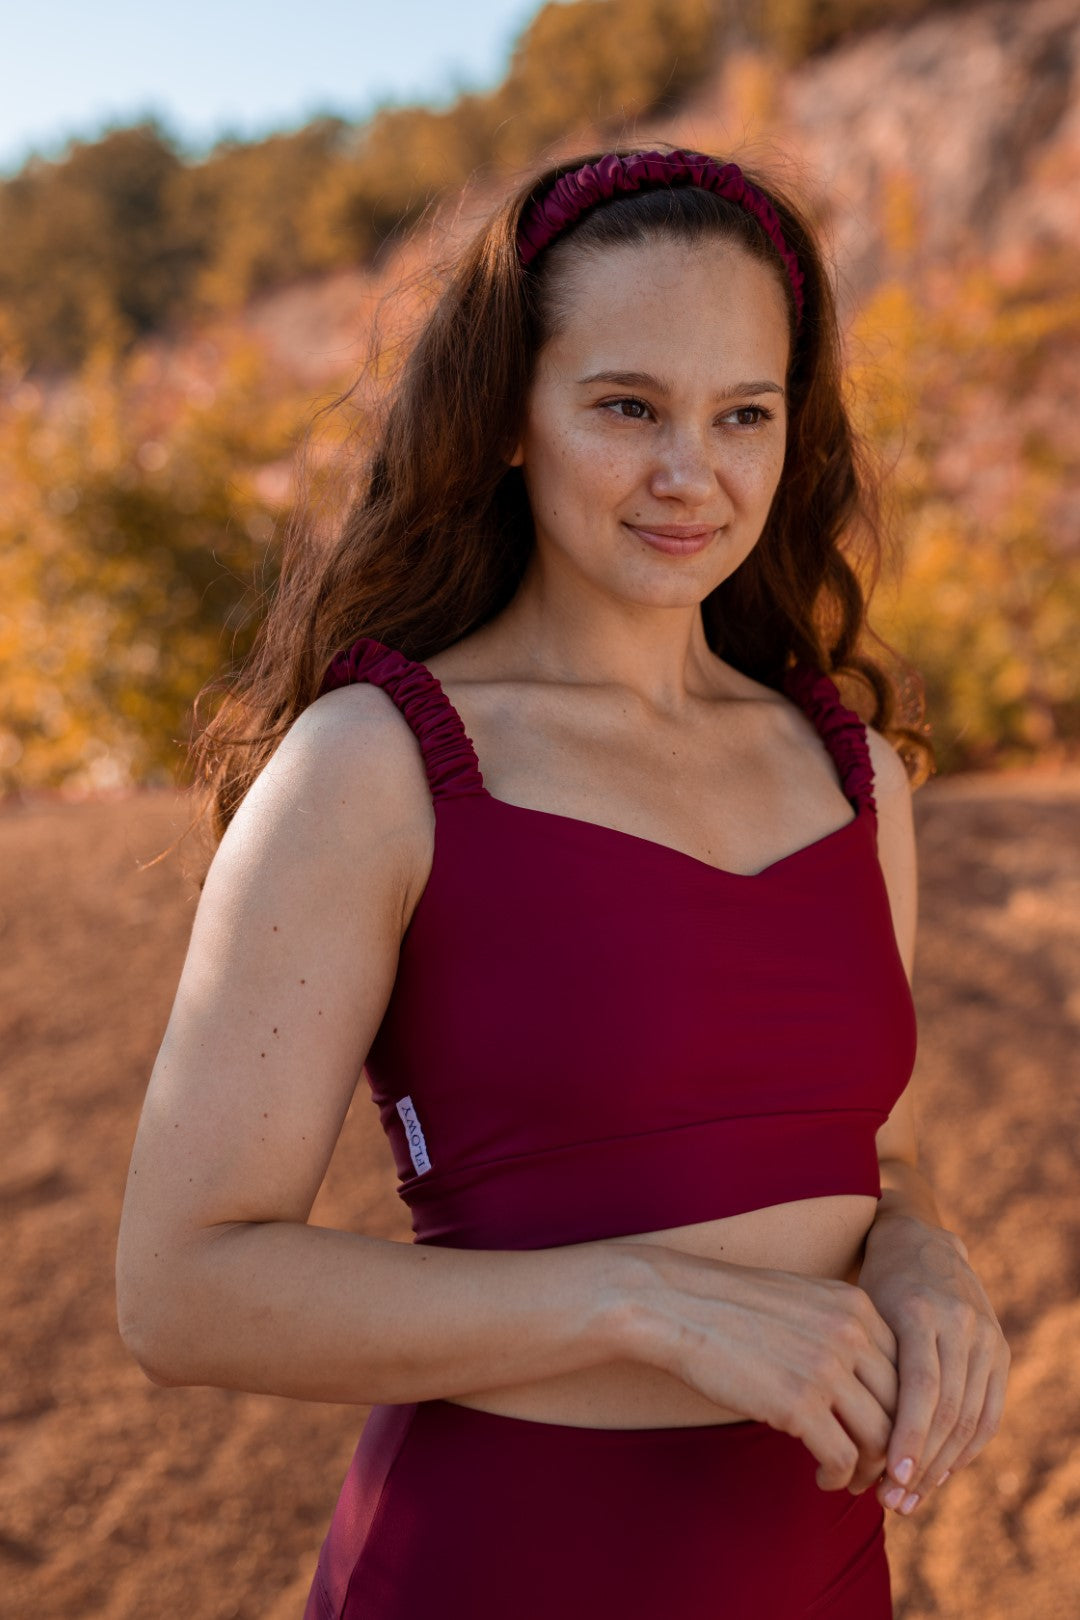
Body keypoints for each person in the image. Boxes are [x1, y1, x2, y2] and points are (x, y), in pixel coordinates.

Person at [115, 144, 1010, 1618]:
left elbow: (876, 1152)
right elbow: (180, 1291)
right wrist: (641, 1300)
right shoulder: (379, 763)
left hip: (823, 1579)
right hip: (498, 1567)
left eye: (743, 414)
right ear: (513, 421)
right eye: (626, 407)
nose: (690, 474)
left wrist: (923, 1252)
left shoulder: (854, 772)